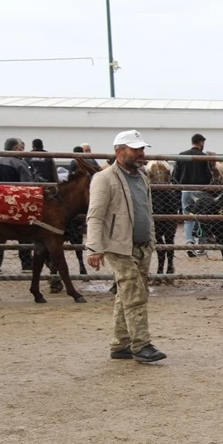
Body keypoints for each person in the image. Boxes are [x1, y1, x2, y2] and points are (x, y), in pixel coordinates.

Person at [84, 131, 166, 364]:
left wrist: (150, 240)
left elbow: (145, 210)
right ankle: (141, 345)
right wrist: (94, 248)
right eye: (135, 149)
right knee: (135, 293)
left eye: (142, 149)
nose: (141, 153)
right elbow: (96, 215)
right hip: (119, 247)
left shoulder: (141, 178)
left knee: (126, 294)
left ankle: (120, 344)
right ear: (119, 151)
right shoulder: (104, 178)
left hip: (141, 246)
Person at [0, 137, 35, 274]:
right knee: (24, 233)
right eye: (20, 147)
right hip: (15, 204)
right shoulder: (20, 164)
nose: (22, 150)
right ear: (15, 148)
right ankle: (26, 265)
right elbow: (28, 186)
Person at [173, 133, 213, 255]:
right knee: (201, 216)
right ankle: (201, 245)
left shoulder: (181, 156)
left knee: (188, 217)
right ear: (201, 143)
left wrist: (180, 186)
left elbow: (175, 175)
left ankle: (189, 242)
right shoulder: (203, 157)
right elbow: (209, 176)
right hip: (200, 191)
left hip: (185, 190)